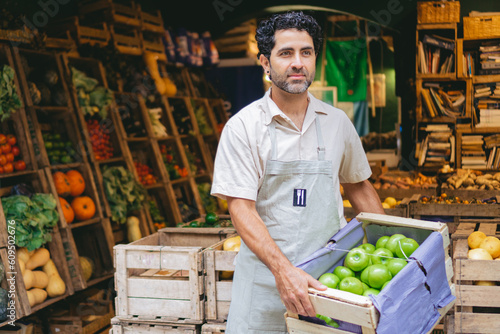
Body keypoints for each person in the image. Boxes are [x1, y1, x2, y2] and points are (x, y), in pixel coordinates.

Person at [211, 11, 385, 333]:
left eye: (306, 52)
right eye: (286, 53)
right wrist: (284, 271)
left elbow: (359, 188)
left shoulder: (337, 123)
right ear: (265, 63)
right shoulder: (243, 128)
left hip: (330, 282)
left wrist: (392, 252)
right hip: (263, 288)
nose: (297, 63)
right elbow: (240, 208)